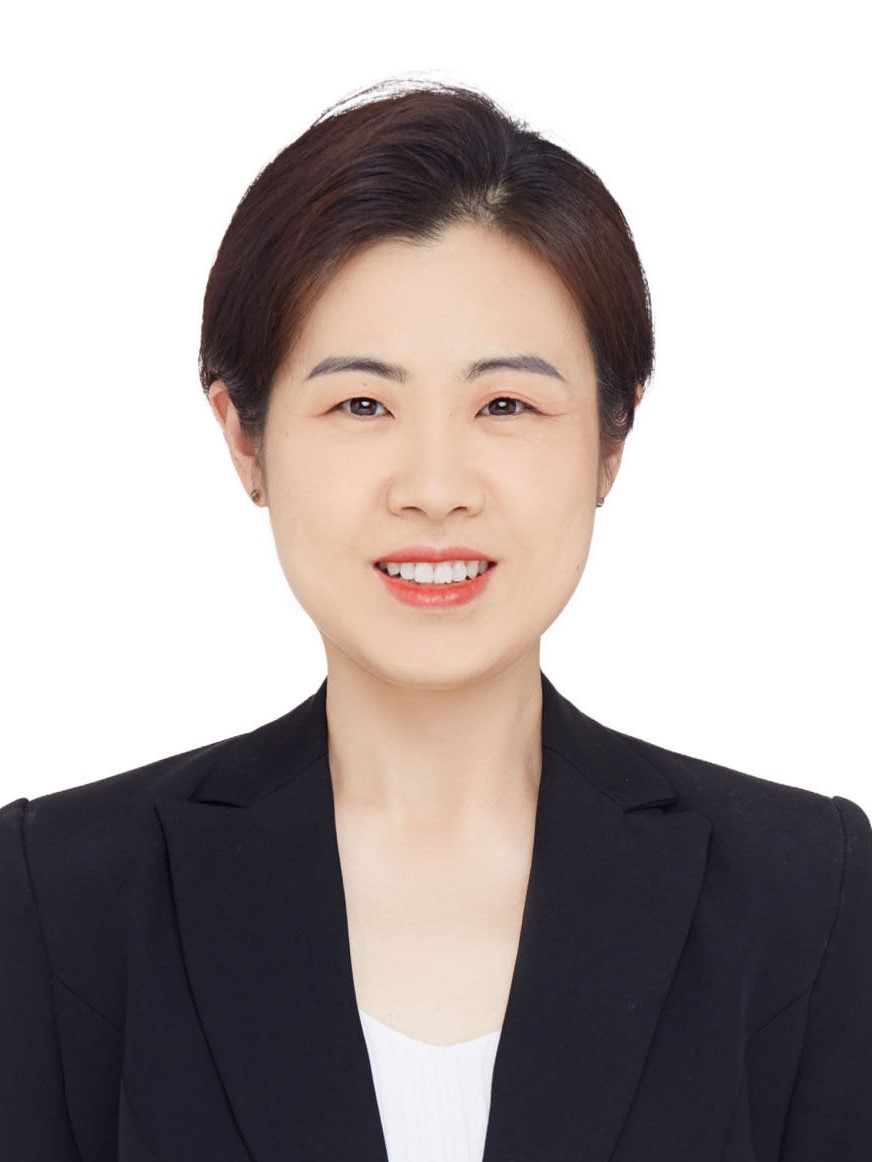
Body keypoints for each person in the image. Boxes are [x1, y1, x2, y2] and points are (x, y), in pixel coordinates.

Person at [1, 77, 870, 1162]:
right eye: (361, 404)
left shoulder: (807, 895)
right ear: (245, 439)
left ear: (610, 440)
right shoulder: (57, 901)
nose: (434, 487)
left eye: (504, 404)